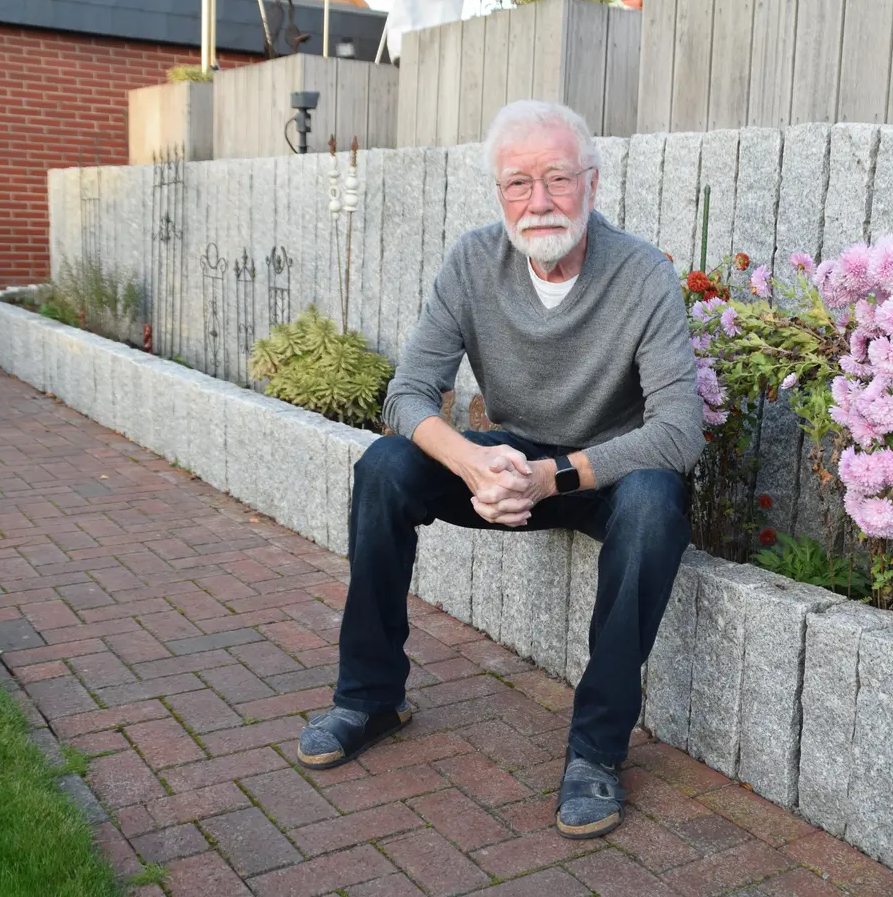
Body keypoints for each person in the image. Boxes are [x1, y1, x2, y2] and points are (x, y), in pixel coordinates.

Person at [293, 99, 704, 840]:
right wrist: (471, 460)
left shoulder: (642, 274)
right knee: (385, 467)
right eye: (519, 183)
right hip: (506, 455)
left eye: (556, 178)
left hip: (604, 473)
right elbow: (408, 393)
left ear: (593, 182)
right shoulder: (473, 262)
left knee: (655, 505)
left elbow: (678, 432)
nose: (539, 201)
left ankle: (596, 752)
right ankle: (371, 697)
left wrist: (558, 477)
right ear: (498, 194)